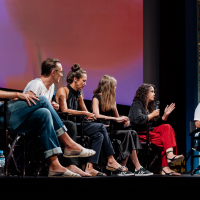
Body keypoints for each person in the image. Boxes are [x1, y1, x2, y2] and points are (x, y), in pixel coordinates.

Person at [0, 90, 95, 177]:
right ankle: (69, 144)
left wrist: (17, 98)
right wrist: (18, 94)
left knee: (44, 113)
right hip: (2, 115)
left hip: (12, 118)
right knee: (43, 100)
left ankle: (54, 166)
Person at [55, 64, 128, 176]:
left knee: (99, 135)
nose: (85, 84)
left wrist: (90, 115)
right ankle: (111, 159)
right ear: (75, 79)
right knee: (101, 127)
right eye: (83, 81)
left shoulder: (78, 94)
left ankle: (90, 166)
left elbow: (87, 113)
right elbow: (65, 110)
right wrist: (85, 113)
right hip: (66, 126)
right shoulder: (63, 90)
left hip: (78, 124)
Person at [23, 57, 91, 176]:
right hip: (31, 122)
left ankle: (71, 164)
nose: (61, 75)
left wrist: (51, 106)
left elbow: (44, 107)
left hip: (43, 121)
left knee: (70, 125)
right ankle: (68, 148)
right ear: (53, 72)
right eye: (60, 72)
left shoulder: (50, 88)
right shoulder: (36, 84)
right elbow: (28, 107)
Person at [92, 75, 153, 176]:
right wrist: (116, 119)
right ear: (108, 86)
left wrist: (124, 119)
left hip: (112, 129)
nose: (115, 88)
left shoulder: (112, 100)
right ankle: (131, 167)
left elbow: (117, 117)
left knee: (132, 133)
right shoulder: (97, 97)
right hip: (103, 129)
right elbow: (96, 115)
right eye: (114, 86)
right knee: (129, 134)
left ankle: (128, 166)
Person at [128, 83, 184, 175]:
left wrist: (164, 116)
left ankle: (170, 155)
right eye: (152, 92)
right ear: (145, 93)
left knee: (167, 127)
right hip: (139, 134)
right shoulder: (136, 104)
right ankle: (166, 167)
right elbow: (138, 120)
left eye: (154, 92)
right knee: (166, 141)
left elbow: (154, 124)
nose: (154, 94)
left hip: (150, 133)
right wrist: (152, 115)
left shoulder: (149, 107)